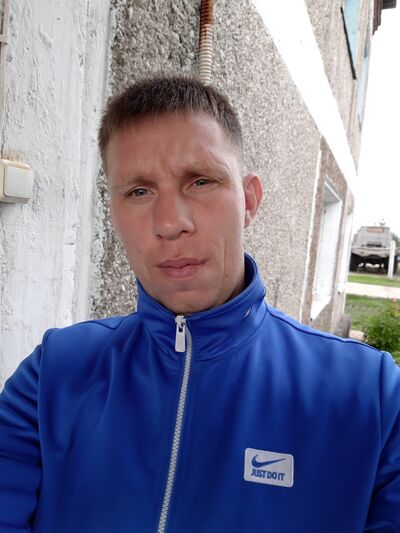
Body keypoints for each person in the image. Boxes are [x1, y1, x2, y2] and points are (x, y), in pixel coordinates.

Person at [0, 76, 399, 533]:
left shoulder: (371, 397)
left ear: (249, 200)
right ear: (113, 213)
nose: (170, 223)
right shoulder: (53, 375)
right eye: (139, 191)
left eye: (201, 181)